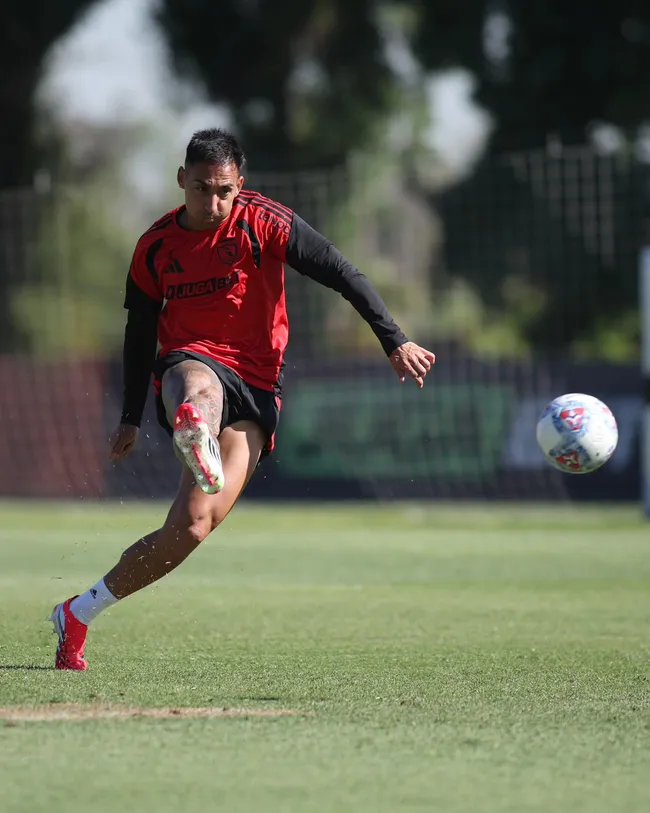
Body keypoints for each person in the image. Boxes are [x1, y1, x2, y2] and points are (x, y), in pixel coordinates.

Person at [50, 128, 435, 670]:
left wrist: (394, 340)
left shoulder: (263, 221)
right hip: (190, 361)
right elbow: (140, 336)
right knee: (197, 384)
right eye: (203, 188)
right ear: (182, 180)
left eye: (225, 190)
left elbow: (341, 272)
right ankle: (195, 428)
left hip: (258, 385)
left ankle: (78, 613)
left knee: (190, 528)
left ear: (240, 184)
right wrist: (131, 417)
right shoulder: (155, 247)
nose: (214, 203)